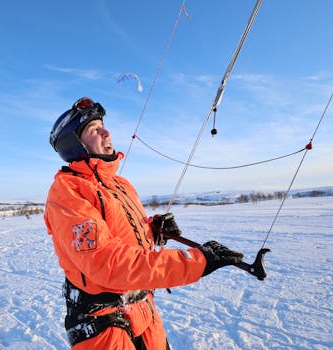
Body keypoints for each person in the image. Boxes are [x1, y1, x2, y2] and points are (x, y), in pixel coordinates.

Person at [44, 97, 244, 350]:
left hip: (144, 307)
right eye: (94, 130)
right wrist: (196, 262)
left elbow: (125, 238)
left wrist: (154, 230)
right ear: (75, 145)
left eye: (103, 125)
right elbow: (107, 263)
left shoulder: (121, 185)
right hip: (102, 321)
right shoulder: (67, 193)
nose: (107, 132)